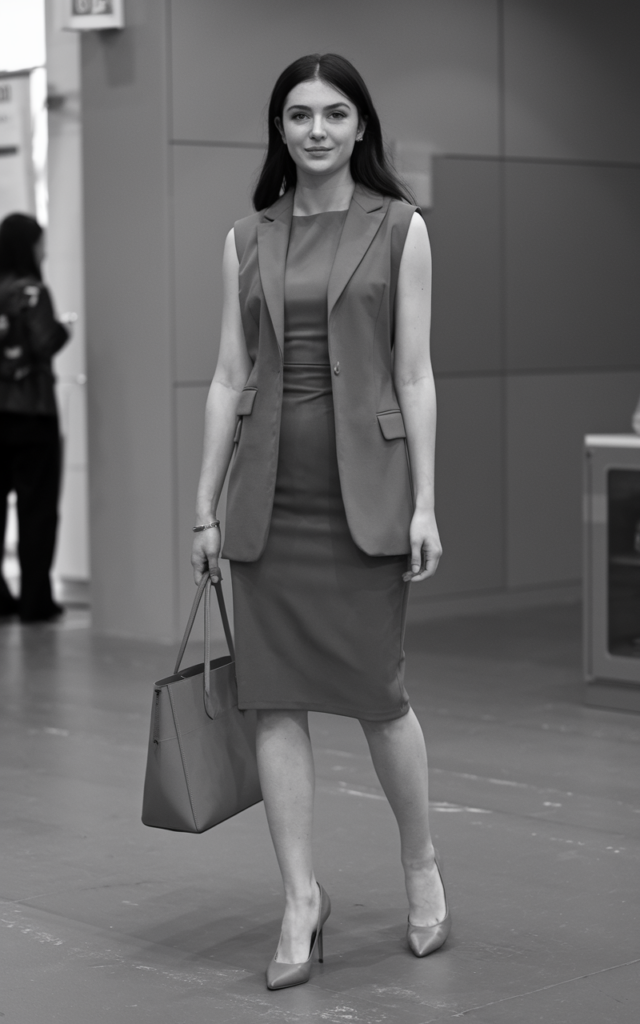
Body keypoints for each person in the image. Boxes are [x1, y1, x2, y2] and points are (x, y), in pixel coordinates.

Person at [191, 54, 448, 990]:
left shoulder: (401, 227)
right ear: (280, 129)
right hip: (268, 501)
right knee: (273, 702)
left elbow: (414, 372)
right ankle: (300, 898)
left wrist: (424, 502)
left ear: (360, 126)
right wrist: (203, 504)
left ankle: (421, 864)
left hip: (365, 500)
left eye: (335, 114)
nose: (317, 131)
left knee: (381, 699)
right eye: (299, 115)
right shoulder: (245, 237)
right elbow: (230, 376)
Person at [0, 213, 72, 622]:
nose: (43, 251)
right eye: (40, 243)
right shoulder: (32, 291)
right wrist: (64, 331)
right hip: (32, 414)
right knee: (37, 509)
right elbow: (45, 341)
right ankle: (35, 601)